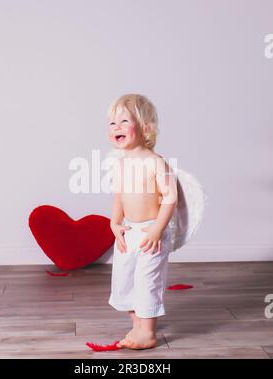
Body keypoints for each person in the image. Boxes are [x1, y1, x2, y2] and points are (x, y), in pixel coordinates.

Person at [107, 94, 178, 349]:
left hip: (151, 231)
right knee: (125, 279)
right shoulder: (119, 165)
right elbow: (119, 198)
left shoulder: (155, 162)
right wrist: (115, 223)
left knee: (147, 280)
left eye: (124, 121)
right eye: (112, 123)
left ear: (145, 127)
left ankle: (147, 332)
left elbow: (171, 198)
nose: (116, 127)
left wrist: (158, 229)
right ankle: (137, 324)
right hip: (129, 232)